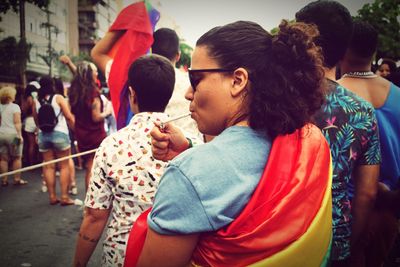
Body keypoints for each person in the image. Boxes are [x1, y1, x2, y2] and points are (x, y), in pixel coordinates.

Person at [132, 20, 331, 266]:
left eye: (196, 79)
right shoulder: (311, 143)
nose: (188, 93)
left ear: (238, 81)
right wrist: (190, 151)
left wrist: (191, 165)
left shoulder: (190, 174)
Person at [295, 1, 381, 266]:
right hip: (334, 236)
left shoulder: (276, 97)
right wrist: (350, 245)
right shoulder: (362, 111)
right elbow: (367, 193)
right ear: (345, 50)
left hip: (276, 232)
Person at [73, 54, 175, 267]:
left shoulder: (111, 146)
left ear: (132, 94)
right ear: (169, 94)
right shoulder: (190, 145)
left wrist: (78, 264)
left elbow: (94, 216)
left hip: (122, 257)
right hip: (175, 256)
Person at [338, 20, 400, 267]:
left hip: (344, 215)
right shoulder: (397, 94)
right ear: (374, 52)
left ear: (341, 49)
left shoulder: (331, 98)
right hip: (388, 212)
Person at [91, 27, 202, 141]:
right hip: (187, 152)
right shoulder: (193, 84)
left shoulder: (131, 75)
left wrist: (127, 25)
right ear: (178, 55)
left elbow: (97, 54)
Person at [67, 61, 112, 191]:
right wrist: (107, 113)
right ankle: (91, 199)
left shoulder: (75, 93)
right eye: (94, 71)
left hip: (82, 134)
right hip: (95, 133)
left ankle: (90, 198)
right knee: (93, 168)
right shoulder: (93, 93)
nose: (97, 73)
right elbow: (96, 117)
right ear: (89, 74)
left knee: (89, 166)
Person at [32, 76, 75, 205]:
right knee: (64, 166)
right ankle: (65, 197)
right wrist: (74, 128)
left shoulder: (36, 101)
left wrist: (40, 130)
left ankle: (52, 196)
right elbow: (68, 116)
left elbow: (36, 120)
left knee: (49, 166)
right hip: (60, 134)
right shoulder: (58, 98)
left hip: (43, 135)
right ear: (52, 85)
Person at [0, 86, 27, 186]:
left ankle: (4, 180)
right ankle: (16, 179)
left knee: (3, 158)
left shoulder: (0, 106)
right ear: (10, 95)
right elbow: (17, 123)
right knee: (17, 157)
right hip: (13, 135)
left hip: (1, 135)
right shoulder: (15, 107)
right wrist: (19, 135)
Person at [21, 84, 38, 166]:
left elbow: (23, 110)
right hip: (35, 120)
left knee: (31, 144)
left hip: (28, 121)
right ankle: (38, 161)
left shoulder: (24, 99)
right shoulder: (35, 98)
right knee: (38, 144)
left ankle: (31, 163)